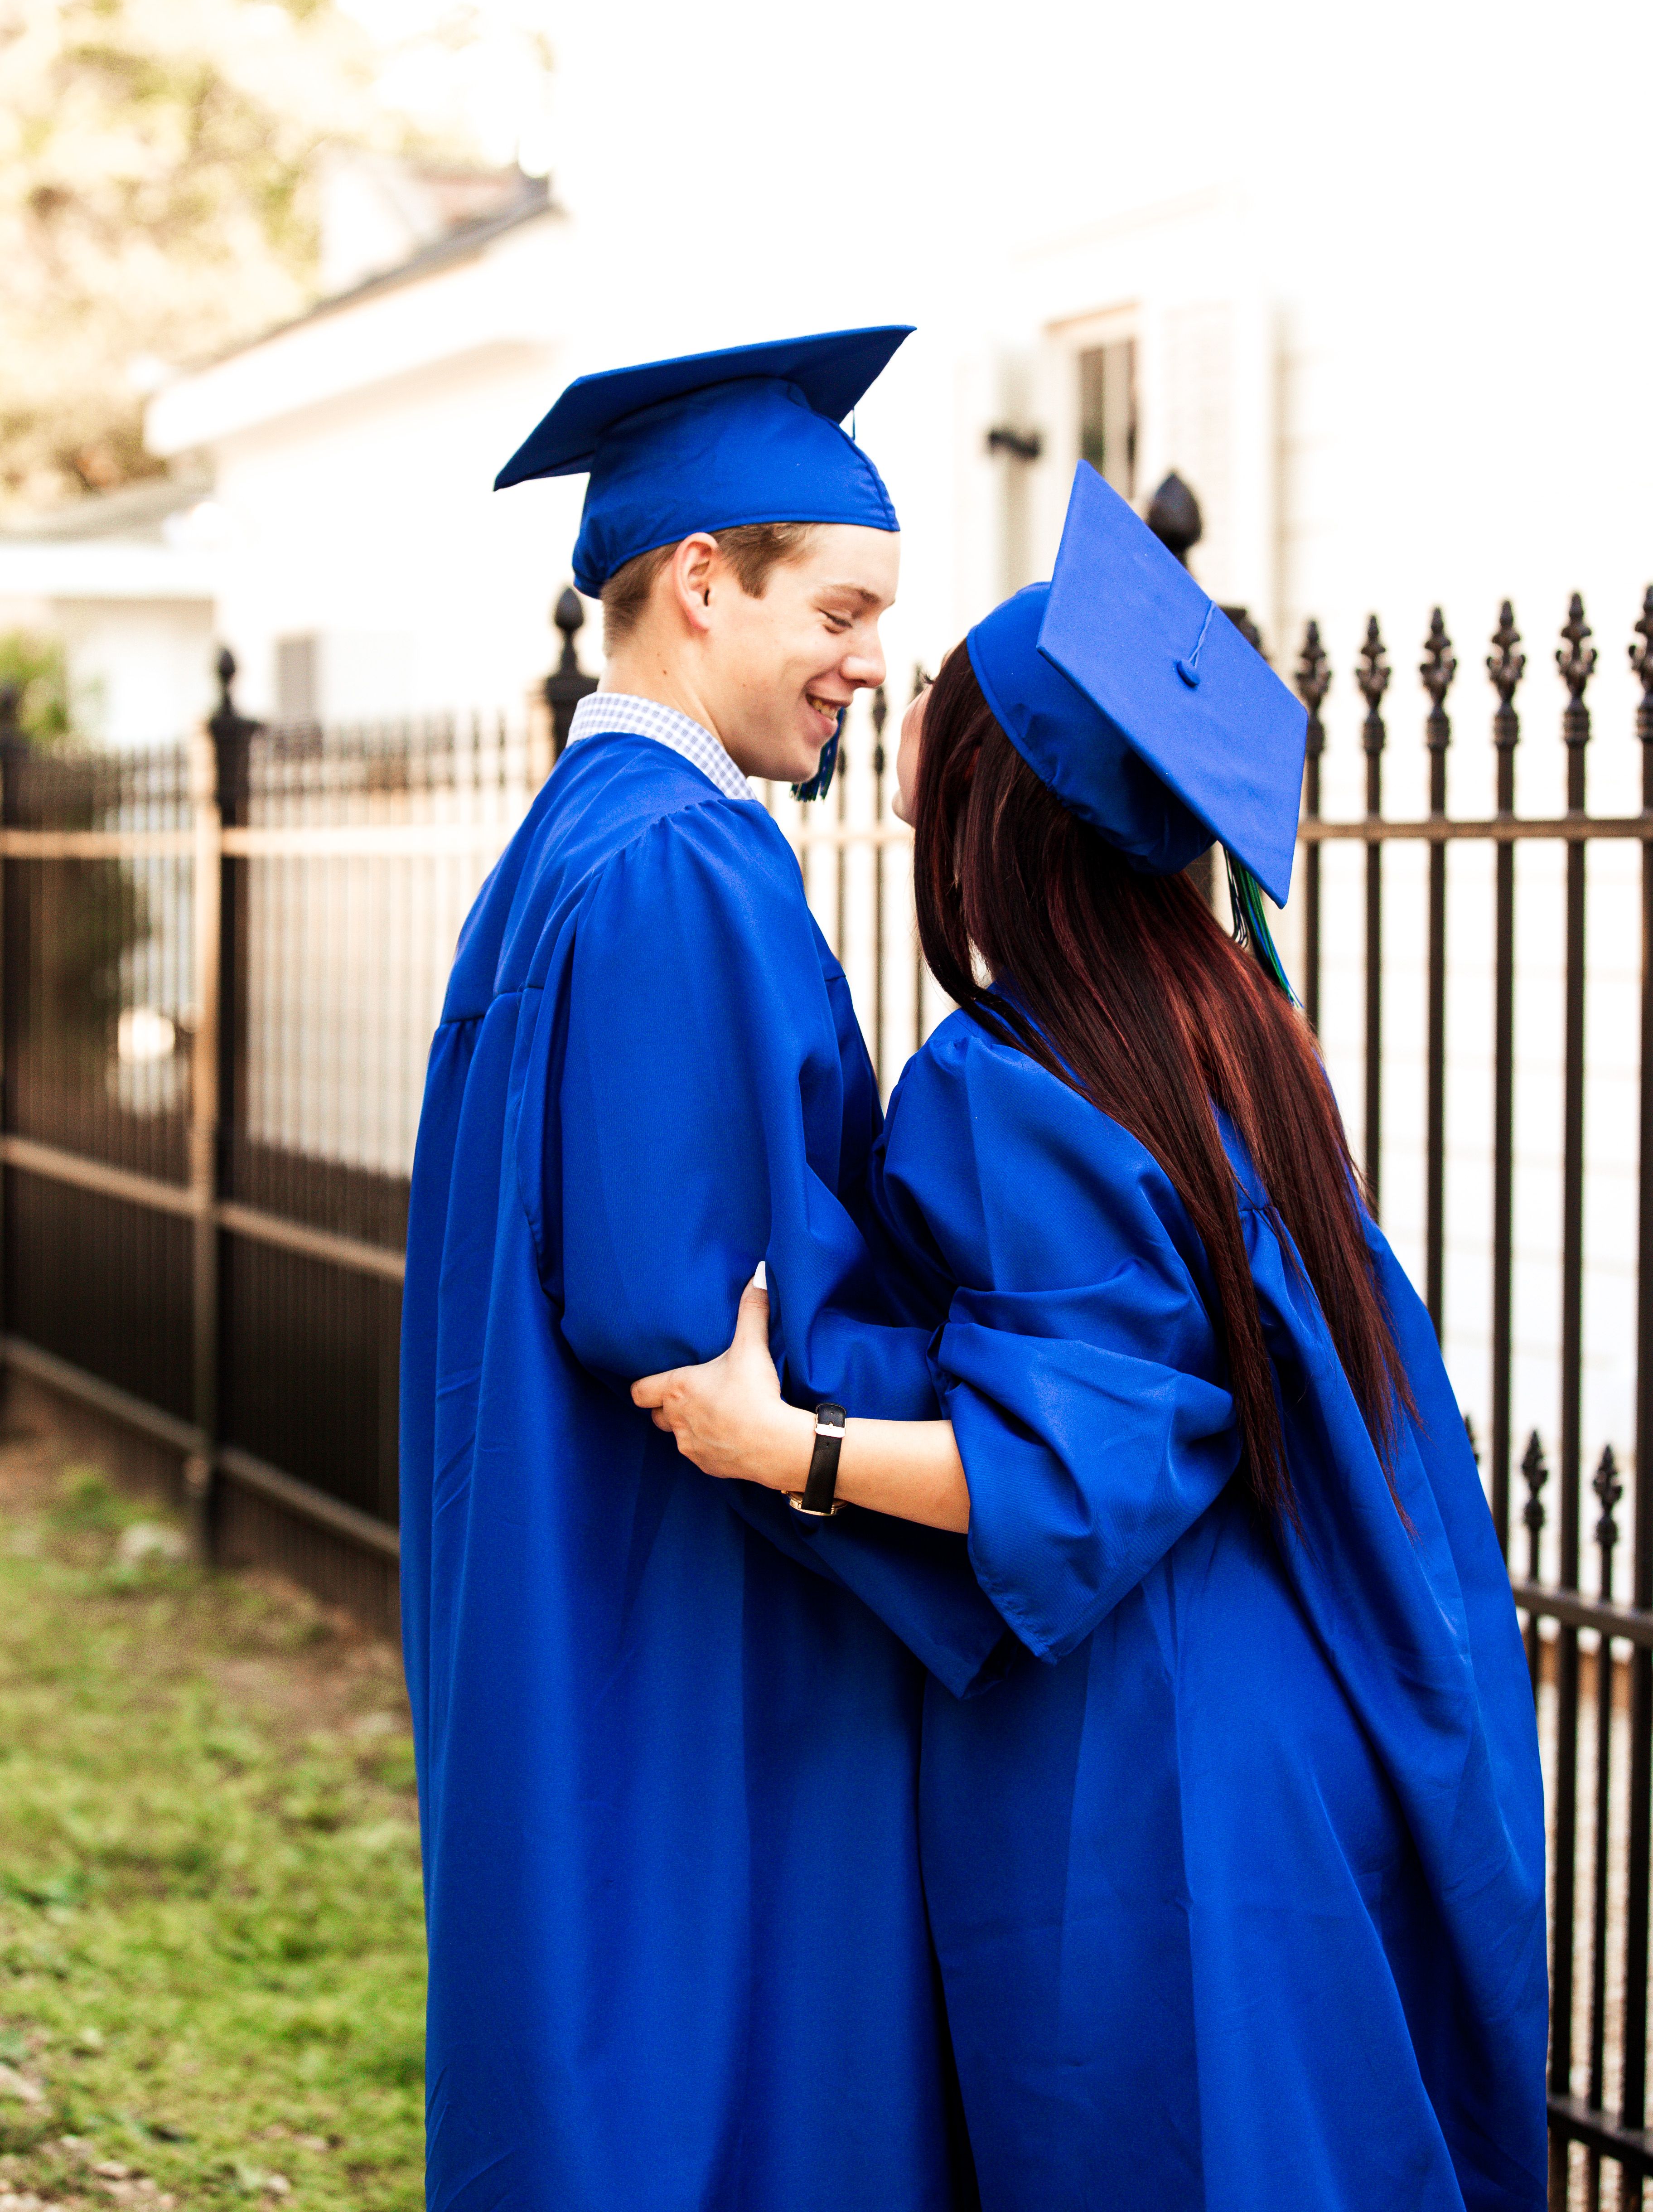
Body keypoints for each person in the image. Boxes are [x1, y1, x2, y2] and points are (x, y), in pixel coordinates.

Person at [633, 461, 1549, 2212]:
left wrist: (779, 1444)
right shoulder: (1231, 1031)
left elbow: (1070, 1471)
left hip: (1147, 1772)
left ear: (998, 796)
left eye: (932, 694)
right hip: (1305, 1716)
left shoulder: (1012, 1081)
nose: (887, 699)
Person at [400, 328, 1005, 2212]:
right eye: (840, 608)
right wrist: (1032, 1406)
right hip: (688, 1603)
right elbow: (693, 1315)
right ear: (697, 583)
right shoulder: (676, 865)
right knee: (707, 2077)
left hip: (578, 1560)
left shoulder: (574, 846)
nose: (871, 660)